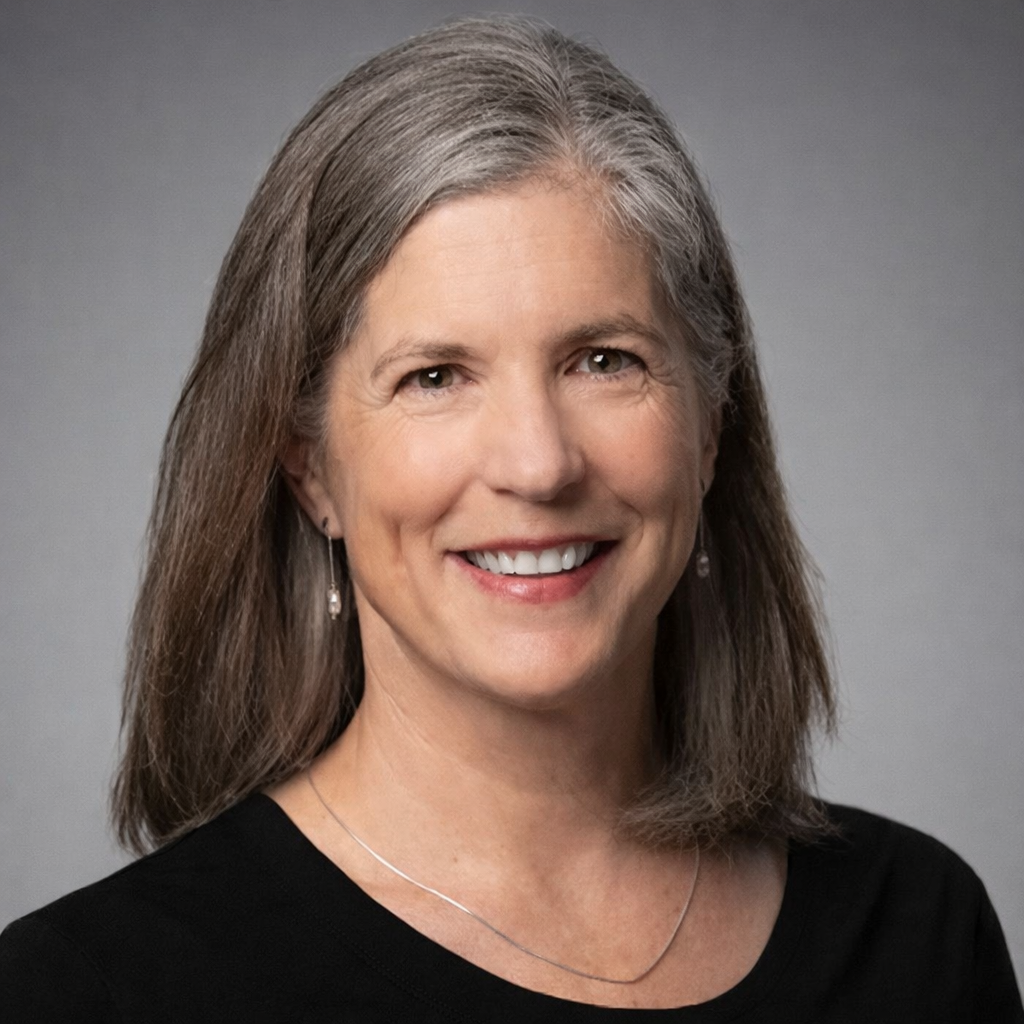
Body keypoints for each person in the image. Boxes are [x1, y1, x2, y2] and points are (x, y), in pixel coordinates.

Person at [1, 14, 1020, 1021]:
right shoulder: (91, 990)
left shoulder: (919, 934)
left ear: (711, 426)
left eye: (603, 360)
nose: (537, 462)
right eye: (435, 376)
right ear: (309, 469)